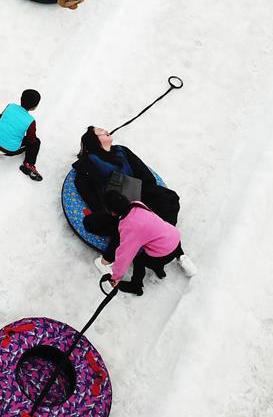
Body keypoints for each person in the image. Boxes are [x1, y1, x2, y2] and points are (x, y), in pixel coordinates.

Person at [73, 125, 181, 273]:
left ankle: (166, 239)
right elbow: (91, 195)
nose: (105, 130)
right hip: (116, 205)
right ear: (94, 140)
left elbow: (143, 171)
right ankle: (109, 259)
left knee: (170, 198)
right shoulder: (88, 165)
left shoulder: (121, 151)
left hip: (140, 194)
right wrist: (110, 208)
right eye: (100, 132)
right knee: (126, 223)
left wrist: (145, 192)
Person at [104, 191, 198, 296]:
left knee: (139, 259)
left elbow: (125, 254)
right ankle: (174, 262)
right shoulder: (137, 204)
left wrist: (116, 276)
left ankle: (136, 286)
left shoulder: (128, 226)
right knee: (163, 240)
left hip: (163, 254)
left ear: (113, 212)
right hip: (174, 238)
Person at [0, 89, 43, 181]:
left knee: (0, 117)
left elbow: (1, 120)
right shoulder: (30, 120)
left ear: (21, 99)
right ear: (35, 106)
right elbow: (31, 140)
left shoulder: (10, 106)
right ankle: (28, 164)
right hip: (7, 150)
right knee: (36, 142)